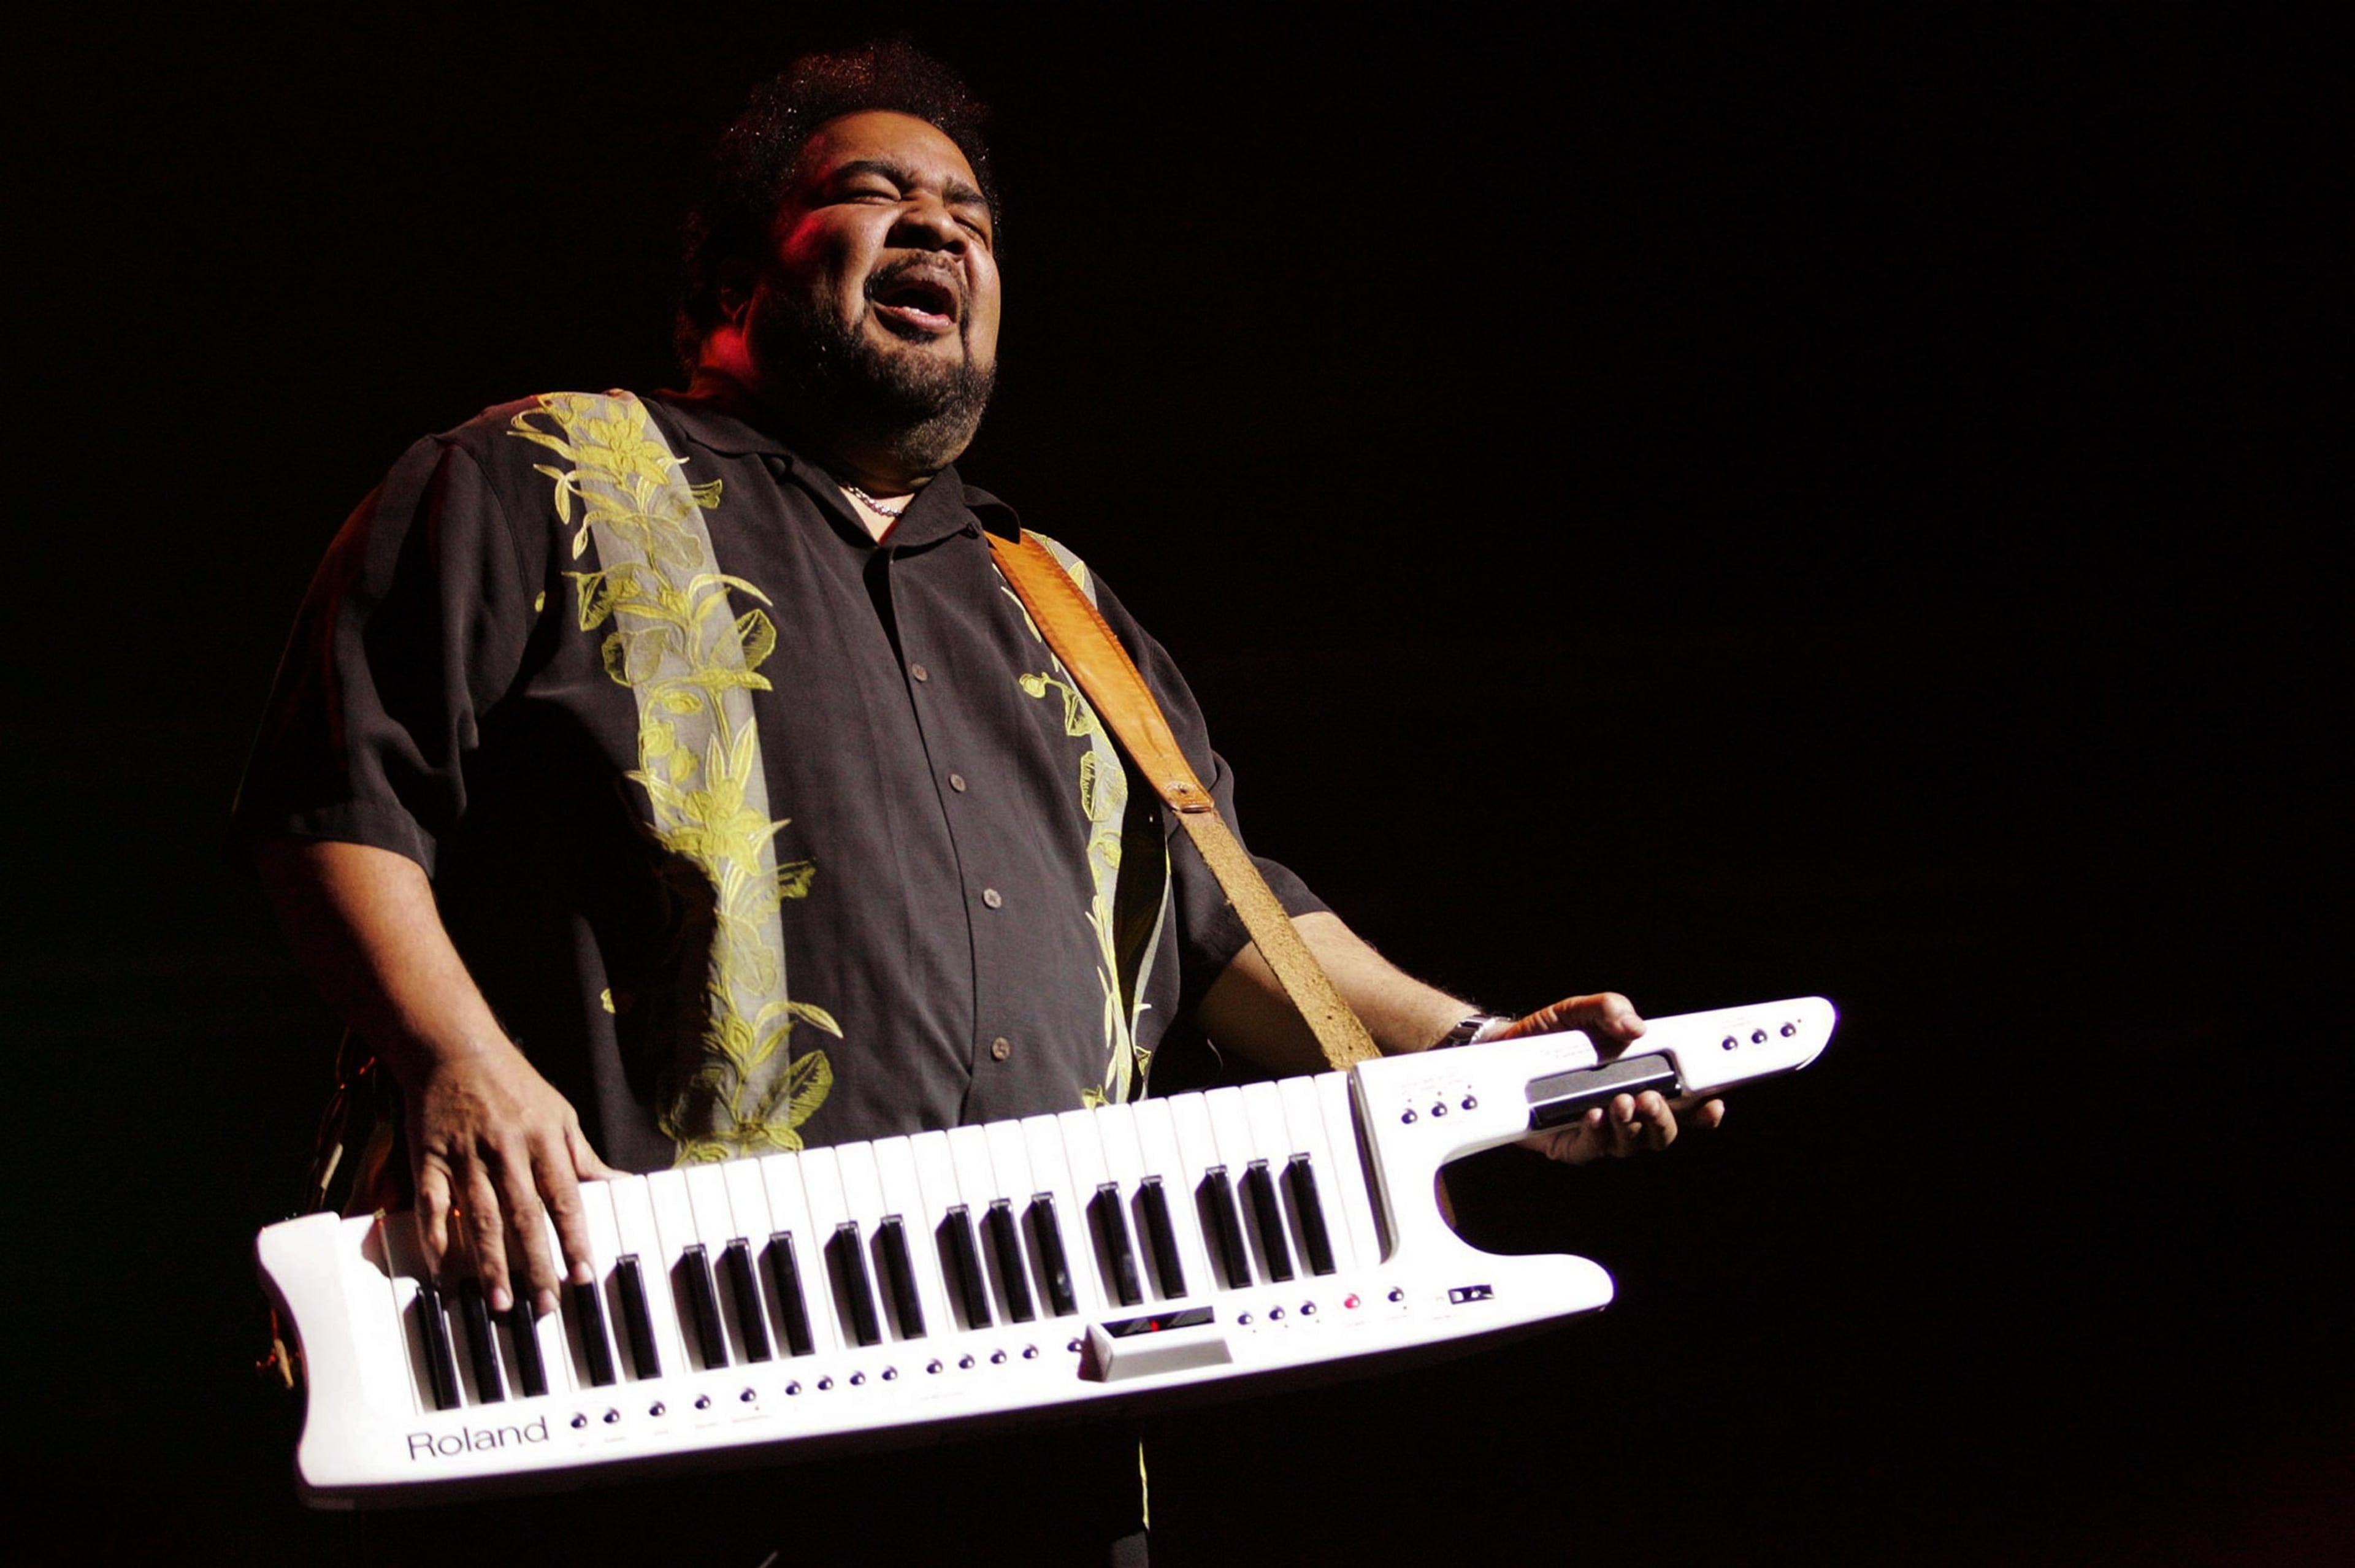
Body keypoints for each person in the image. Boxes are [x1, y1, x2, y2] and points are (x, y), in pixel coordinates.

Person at [236, 42, 1720, 1566]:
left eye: (973, 218)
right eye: (873, 192)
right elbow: (335, 798)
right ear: (738, 276)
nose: (939, 227)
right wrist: (454, 1060)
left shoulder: (1059, 601)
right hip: (640, 1370)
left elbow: (1222, 934)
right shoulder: (535, 472)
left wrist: (1480, 1055)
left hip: (1044, 1406)